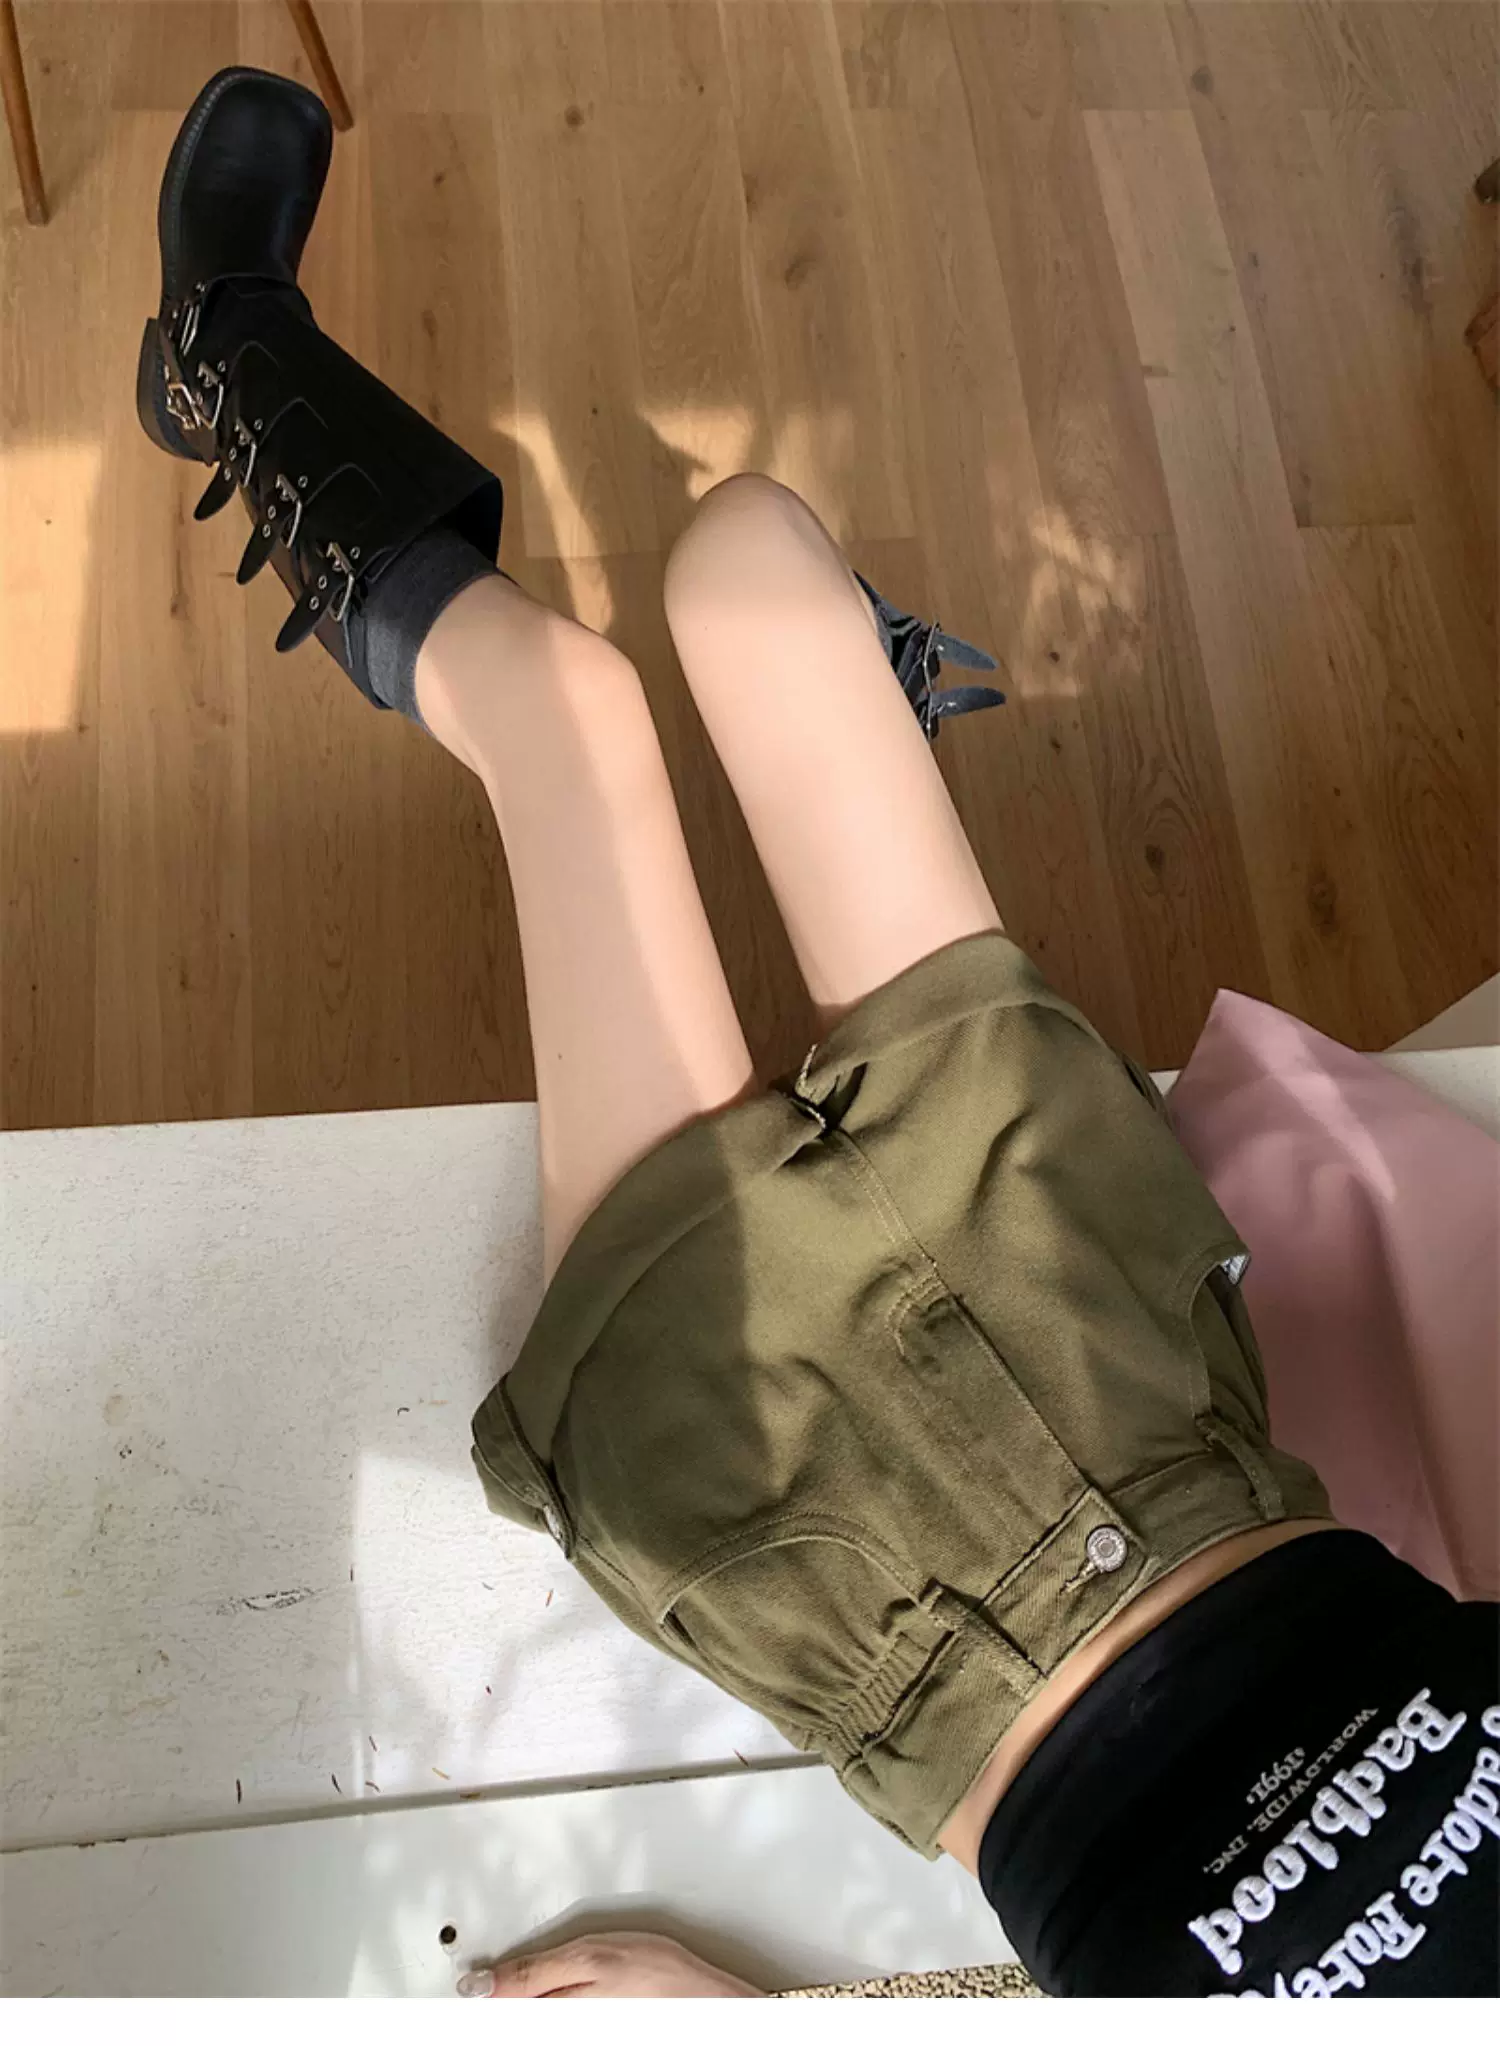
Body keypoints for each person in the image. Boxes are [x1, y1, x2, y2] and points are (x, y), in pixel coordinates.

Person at [140, 70, 1500, 2000]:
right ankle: (862, 699)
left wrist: (754, 2007)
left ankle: (222, 346)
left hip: (841, 1553)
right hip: (1135, 1369)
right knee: (748, 562)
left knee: (567, 713)